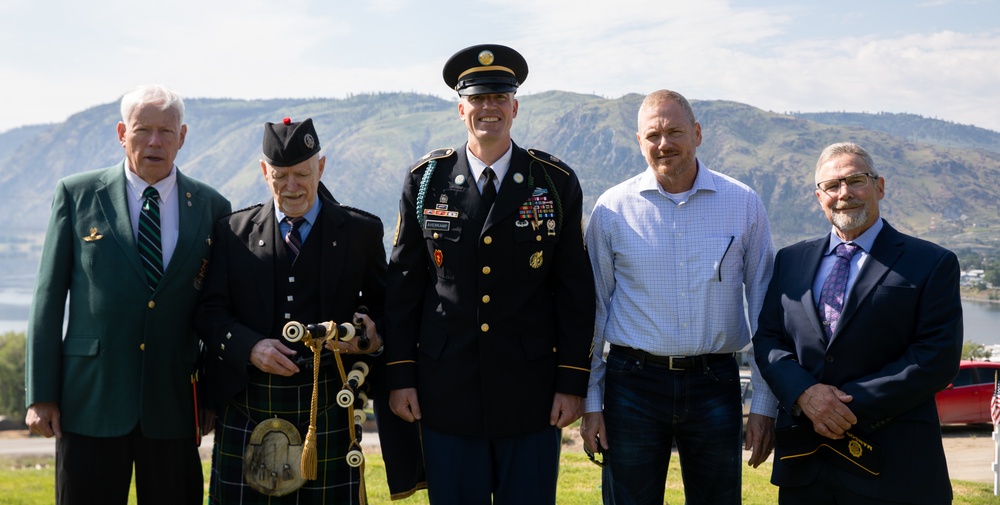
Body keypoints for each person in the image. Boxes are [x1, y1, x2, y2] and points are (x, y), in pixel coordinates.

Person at [385, 43, 596, 504]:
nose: (489, 108)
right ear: (462, 109)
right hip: (447, 391)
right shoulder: (426, 181)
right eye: (478, 99)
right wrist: (400, 376)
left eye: (499, 97)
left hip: (532, 393)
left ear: (515, 107)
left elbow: (576, 293)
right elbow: (403, 288)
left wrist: (571, 381)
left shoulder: (554, 182)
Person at [24, 84, 232, 505]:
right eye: (142, 130)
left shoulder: (213, 207)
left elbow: (217, 310)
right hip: (90, 402)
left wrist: (210, 397)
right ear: (122, 133)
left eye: (165, 132)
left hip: (173, 403)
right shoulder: (77, 194)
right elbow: (47, 301)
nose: (154, 142)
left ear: (183, 136)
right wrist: (41, 395)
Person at [580, 89, 778, 505]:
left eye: (674, 131)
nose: (664, 143)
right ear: (639, 142)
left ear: (698, 134)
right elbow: (594, 311)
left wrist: (764, 404)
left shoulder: (743, 204)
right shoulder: (611, 209)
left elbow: (764, 312)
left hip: (715, 381)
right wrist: (592, 402)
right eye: (652, 135)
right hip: (631, 385)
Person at [193, 117, 390, 503]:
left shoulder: (360, 231)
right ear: (264, 172)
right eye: (280, 176)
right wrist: (250, 347)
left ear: (321, 166)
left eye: (301, 173)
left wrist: (371, 337)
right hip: (249, 402)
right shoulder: (232, 232)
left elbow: (389, 310)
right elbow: (208, 313)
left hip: (331, 404)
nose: (292, 186)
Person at [752, 142, 962, 504]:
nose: (844, 193)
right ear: (820, 198)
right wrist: (805, 394)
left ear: (879, 186)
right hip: (806, 465)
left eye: (856, 180)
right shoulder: (790, 261)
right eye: (832, 186)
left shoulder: (931, 262)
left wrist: (842, 407)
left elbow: (935, 357)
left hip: (895, 466)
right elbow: (769, 339)